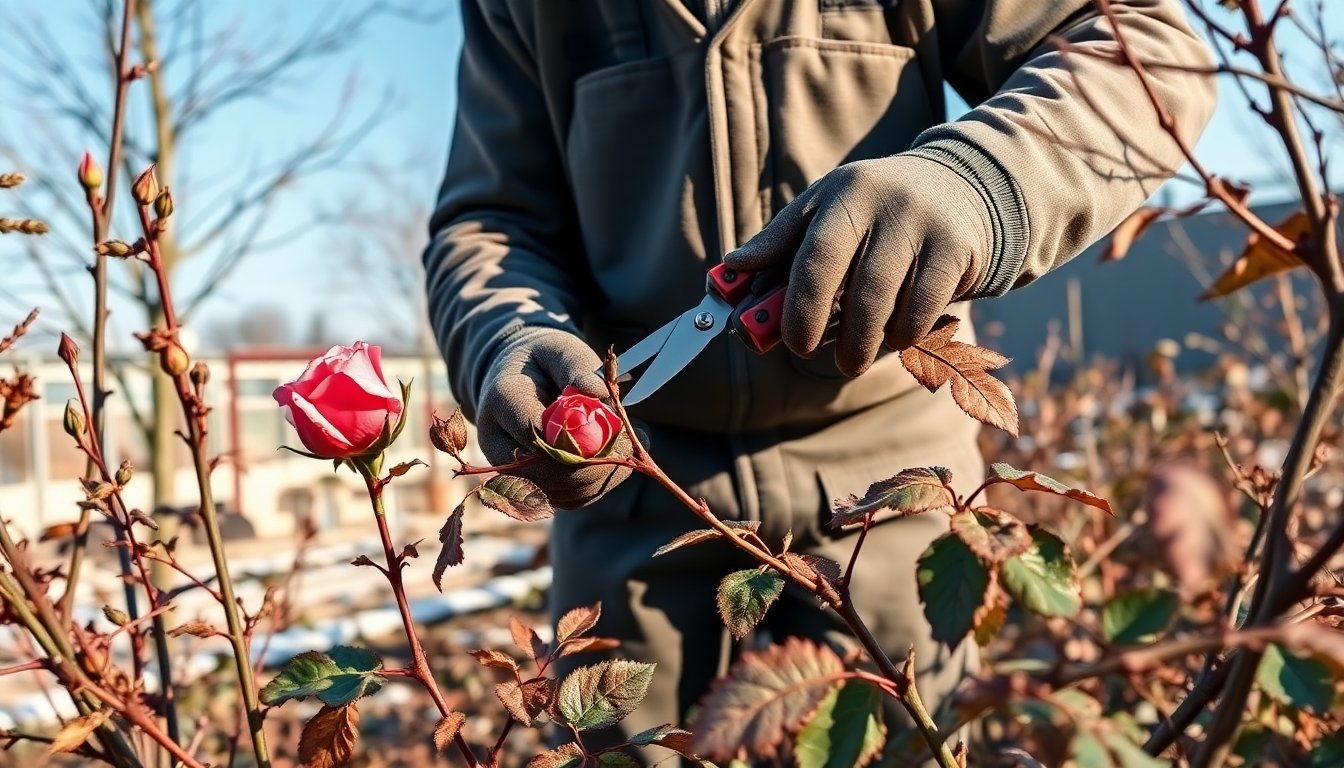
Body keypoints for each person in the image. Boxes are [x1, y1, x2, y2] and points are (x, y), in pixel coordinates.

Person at [425, 0, 1214, 761]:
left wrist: (976, 182)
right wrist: (507, 335)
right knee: (622, 754)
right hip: (635, 490)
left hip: (893, 472)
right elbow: (489, 221)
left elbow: (1142, 51)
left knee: (914, 743)